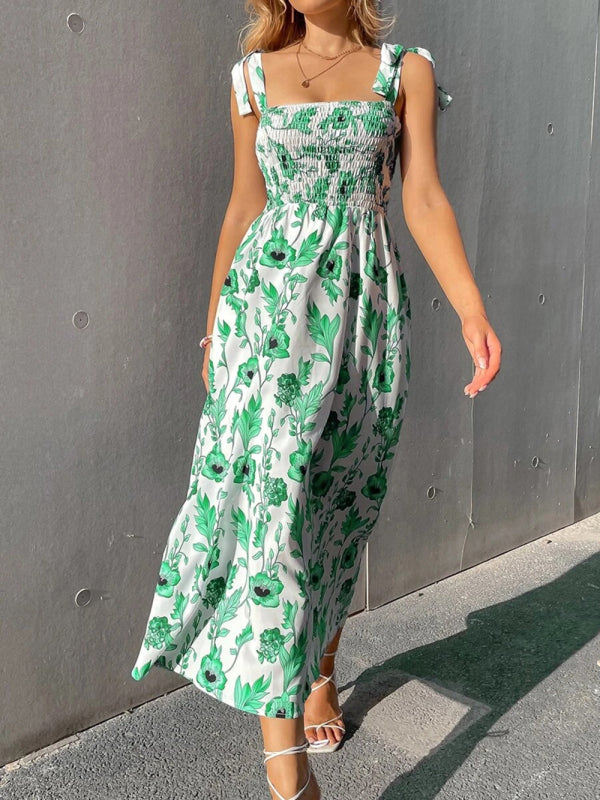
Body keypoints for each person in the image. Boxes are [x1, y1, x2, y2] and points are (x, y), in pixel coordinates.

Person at [130, 1, 502, 797]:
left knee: (335, 506)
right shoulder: (250, 79)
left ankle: (320, 669)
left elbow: (423, 198)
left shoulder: (406, 72)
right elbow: (244, 204)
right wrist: (214, 329)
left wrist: (470, 308)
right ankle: (289, 777)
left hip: (363, 318)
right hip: (265, 325)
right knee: (273, 520)